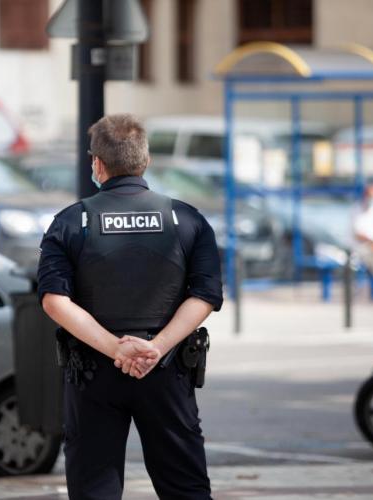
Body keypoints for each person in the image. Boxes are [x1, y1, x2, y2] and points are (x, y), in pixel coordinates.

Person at [38, 114, 222, 500]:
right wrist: (156, 348)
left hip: (93, 374)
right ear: (146, 160)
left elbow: (55, 300)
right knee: (186, 488)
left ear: (97, 164)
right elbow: (205, 294)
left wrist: (116, 349)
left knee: (94, 490)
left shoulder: (72, 222)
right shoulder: (186, 219)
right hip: (167, 370)